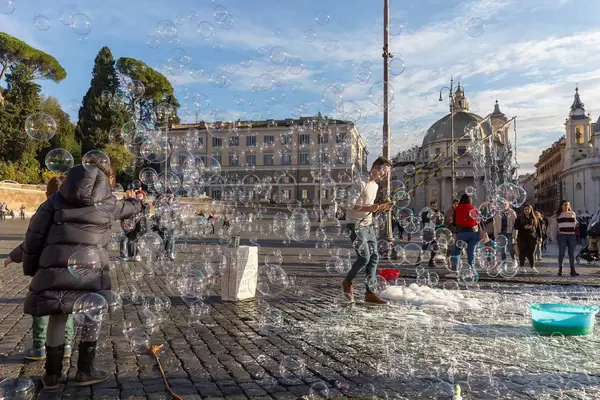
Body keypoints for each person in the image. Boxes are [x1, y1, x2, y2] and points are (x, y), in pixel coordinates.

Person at [22, 159, 141, 390]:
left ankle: (52, 376)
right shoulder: (108, 203)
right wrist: (138, 202)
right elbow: (131, 208)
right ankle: (85, 370)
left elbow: (34, 235)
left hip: (55, 270)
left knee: (57, 316)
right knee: (91, 314)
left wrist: (31, 268)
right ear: (109, 179)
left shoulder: (56, 199)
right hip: (91, 271)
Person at [4, 176, 76, 361]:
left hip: (45, 269)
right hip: (70, 268)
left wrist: (13, 256)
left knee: (42, 307)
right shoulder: (76, 212)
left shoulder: (43, 211)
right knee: (66, 307)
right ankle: (66, 345)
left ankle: (39, 347)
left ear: (46, 194)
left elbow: (32, 241)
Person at [341, 156, 393, 305]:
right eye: (384, 171)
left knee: (374, 257)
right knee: (364, 257)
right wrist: (371, 208)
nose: (385, 175)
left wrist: (382, 207)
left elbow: (369, 206)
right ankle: (347, 281)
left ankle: (370, 293)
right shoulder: (360, 182)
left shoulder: (375, 186)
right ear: (376, 168)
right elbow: (349, 205)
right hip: (355, 224)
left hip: (368, 225)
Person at [449, 193, 479, 278]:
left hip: (461, 233)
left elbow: (454, 223)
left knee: (456, 252)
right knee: (471, 253)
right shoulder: (474, 209)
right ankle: (471, 272)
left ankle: (454, 272)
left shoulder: (457, 209)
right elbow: (478, 221)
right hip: (473, 233)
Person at [548, 200, 579, 276]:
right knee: (561, 253)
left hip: (572, 236)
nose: (566, 206)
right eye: (565, 205)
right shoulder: (558, 215)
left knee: (571, 254)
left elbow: (575, 224)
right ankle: (560, 269)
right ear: (561, 206)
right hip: (562, 236)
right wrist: (553, 236)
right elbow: (553, 226)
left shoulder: (573, 214)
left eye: (568, 205)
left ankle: (572, 270)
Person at [514, 204, 541, 274]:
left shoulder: (534, 218)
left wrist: (540, 237)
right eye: (525, 209)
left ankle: (532, 267)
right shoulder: (519, 218)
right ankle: (522, 267)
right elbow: (515, 226)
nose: (527, 210)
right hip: (522, 237)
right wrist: (523, 227)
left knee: (532, 253)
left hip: (533, 237)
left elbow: (538, 228)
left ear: (531, 210)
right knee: (522, 252)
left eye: (528, 209)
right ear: (523, 210)